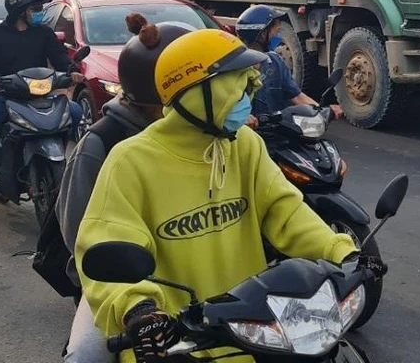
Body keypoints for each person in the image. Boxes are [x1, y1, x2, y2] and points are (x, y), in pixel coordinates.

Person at [75, 30, 378, 363]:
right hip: (173, 342)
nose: (247, 100)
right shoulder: (131, 161)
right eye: (237, 89)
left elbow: (286, 211)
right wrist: (139, 309)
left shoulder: (244, 145)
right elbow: (107, 240)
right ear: (195, 94)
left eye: (249, 87)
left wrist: (344, 253)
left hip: (255, 331)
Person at [57, 14, 193, 363]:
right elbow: (79, 234)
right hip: (120, 287)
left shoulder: (212, 140)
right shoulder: (101, 146)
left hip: (195, 273)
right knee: (87, 356)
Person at [0, 0, 85, 199]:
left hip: (39, 94)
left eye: (40, 8)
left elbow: (59, 57)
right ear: (20, 11)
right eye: (36, 9)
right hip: (2, 94)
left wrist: (72, 70)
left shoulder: (43, 33)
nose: (40, 13)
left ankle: (69, 162)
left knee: (74, 111)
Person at [233, 4, 343, 121]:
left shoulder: (275, 62)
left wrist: (321, 111)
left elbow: (296, 96)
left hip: (275, 130)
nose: (278, 36)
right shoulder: (234, 67)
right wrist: (243, 119)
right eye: (275, 31)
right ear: (263, 34)